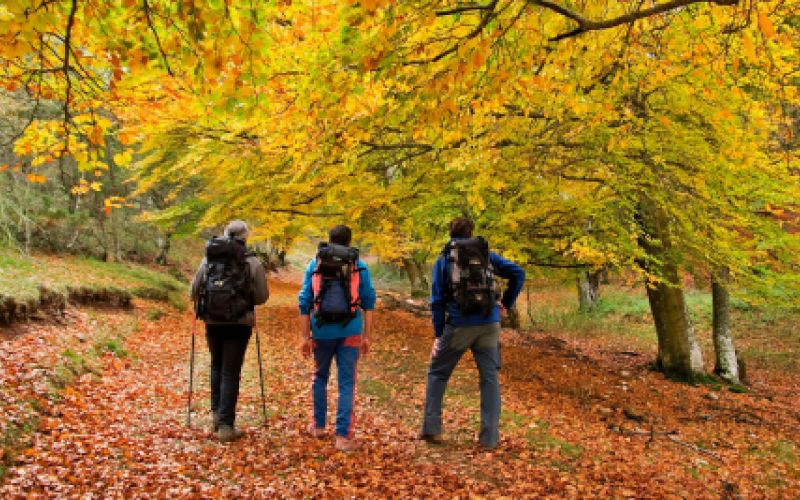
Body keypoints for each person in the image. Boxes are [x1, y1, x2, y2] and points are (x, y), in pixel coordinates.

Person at [420, 217, 525, 449]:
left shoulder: (445, 259)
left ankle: (432, 429)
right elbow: (518, 273)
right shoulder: (487, 255)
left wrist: (438, 334)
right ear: (471, 233)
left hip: (459, 325)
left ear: (451, 234)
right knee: (489, 379)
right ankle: (489, 438)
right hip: (489, 324)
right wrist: (506, 303)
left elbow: (436, 300)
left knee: (437, 373)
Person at [298, 225, 376, 451]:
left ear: (329, 241)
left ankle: (319, 426)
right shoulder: (359, 266)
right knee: (346, 383)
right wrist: (366, 336)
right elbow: (369, 303)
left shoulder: (316, 264)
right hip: (350, 331)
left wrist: (305, 336)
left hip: (321, 331)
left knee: (320, 377)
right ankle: (343, 436)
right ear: (349, 241)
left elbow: (304, 301)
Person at [190, 220, 268, 443]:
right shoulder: (251, 261)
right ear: (245, 237)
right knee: (231, 372)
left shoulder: (209, 259)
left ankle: (216, 414)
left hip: (212, 321)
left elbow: (193, 291)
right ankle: (226, 426)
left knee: (217, 365)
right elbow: (262, 297)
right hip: (240, 322)